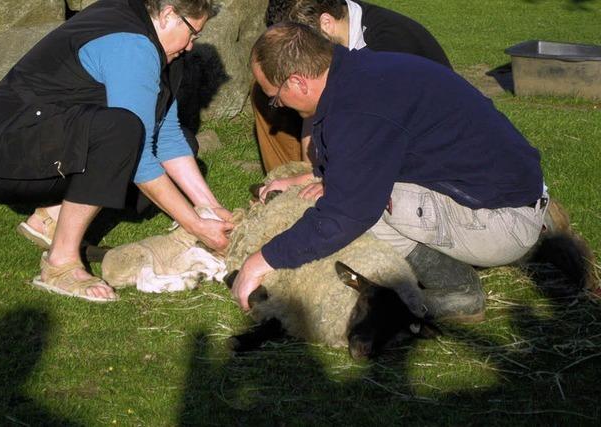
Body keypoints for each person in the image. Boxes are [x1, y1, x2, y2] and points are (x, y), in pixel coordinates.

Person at [232, 22, 549, 322]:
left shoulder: (358, 109)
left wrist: (260, 261)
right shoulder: (359, 74)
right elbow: (366, 149)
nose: (280, 106)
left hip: (505, 221)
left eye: (275, 97)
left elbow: (345, 213)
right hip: (505, 194)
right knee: (356, 189)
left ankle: (457, 290)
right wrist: (318, 176)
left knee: (368, 204)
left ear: (298, 82)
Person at [0, 0, 233, 302]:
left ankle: (51, 218)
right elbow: (139, 156)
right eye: (193, 33)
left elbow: (165, 135)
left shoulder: (161, 48)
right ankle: (59, 265)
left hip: (46, 140)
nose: (192, 45)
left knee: (178, 139)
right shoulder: (133, 46)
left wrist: (211, 208)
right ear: (169, 13)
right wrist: (195, 225)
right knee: (122, 131)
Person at [254, 0, 451, 173]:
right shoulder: (340, 24)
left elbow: (378, 139)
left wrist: (321, 176)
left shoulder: (387, 49)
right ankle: (285, 185)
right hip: (369, 125)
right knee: (268, 90)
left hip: (425, 148)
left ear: (326, 23)